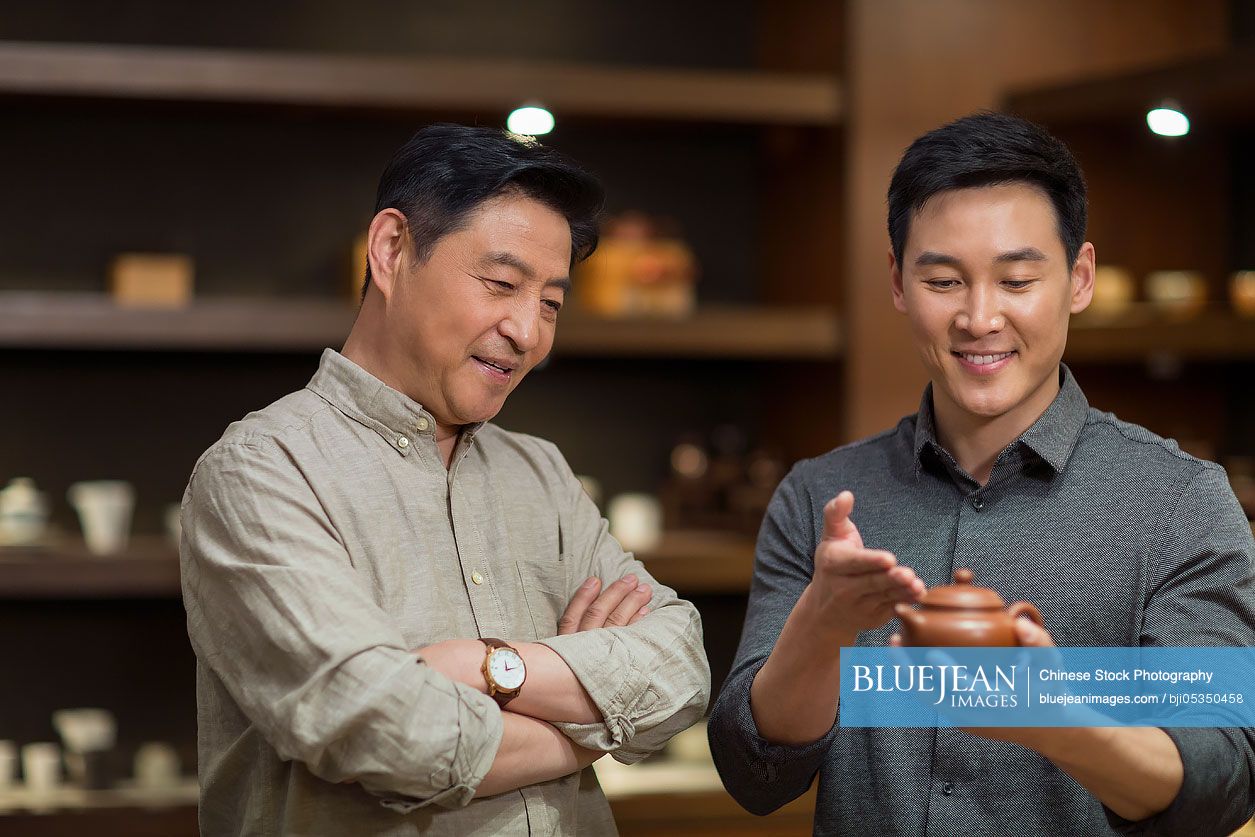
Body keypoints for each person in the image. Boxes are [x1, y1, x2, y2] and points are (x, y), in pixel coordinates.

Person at [707, 112, 1255, 835]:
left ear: (1079, 278)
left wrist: (1053, 720)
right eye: (942, 280)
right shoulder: (819, 495)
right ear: (898, 283)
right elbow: (753, 773)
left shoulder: (1179, 502)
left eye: (1017, 278)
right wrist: (821, 626)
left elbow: (1221, 775)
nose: (978, 316)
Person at [180, 123, 710, 836]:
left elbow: (680, 665)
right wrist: (593, 723)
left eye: (551, 303)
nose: (528, 332)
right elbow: (382, 728)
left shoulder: (539, 471)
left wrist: (492, 669)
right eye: (500, 284)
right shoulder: (262, 470)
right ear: (392, 249)